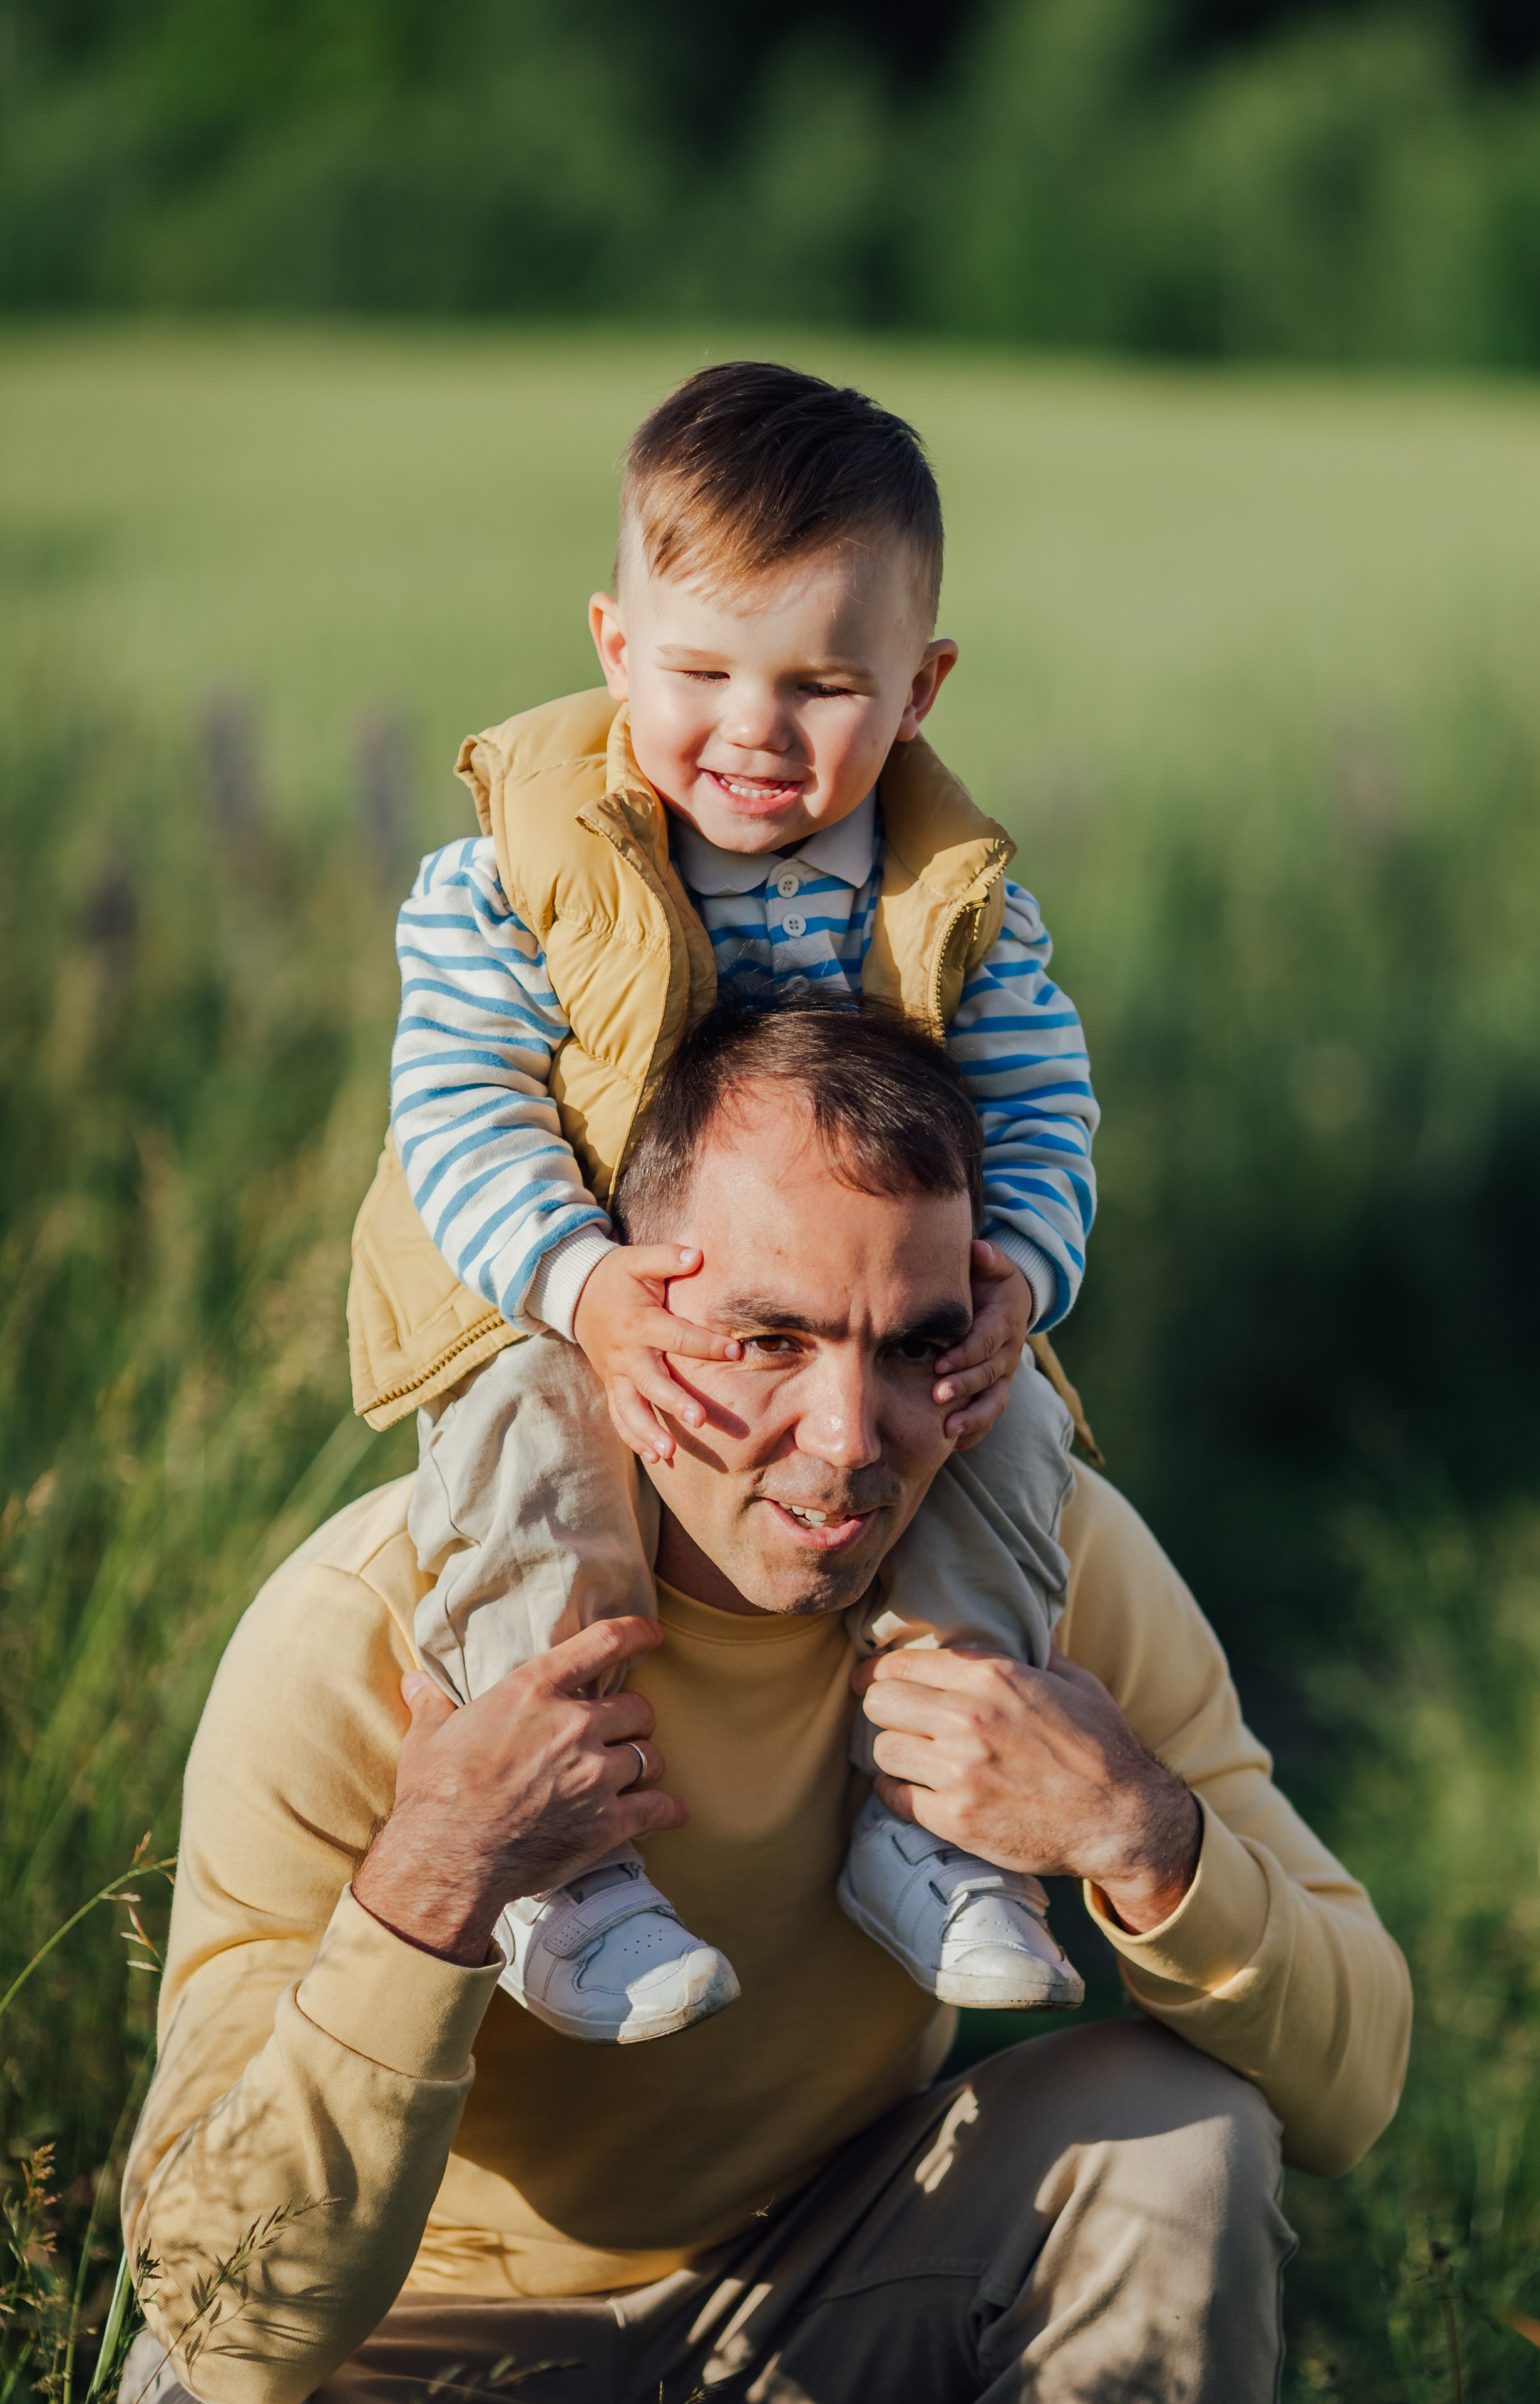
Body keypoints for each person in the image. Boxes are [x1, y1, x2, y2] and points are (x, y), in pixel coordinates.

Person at [122, 1000, 1411, 2404]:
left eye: (918, 1345)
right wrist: (430, 1882)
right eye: (766, 1340)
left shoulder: (1043, 1571)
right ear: (619, 1318)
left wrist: (1144, 1839)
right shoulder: (367, 1629)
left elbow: (1349, 2094)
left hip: (818, 2299)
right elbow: (221, 2321)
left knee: (1178, 2135)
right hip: (417, 2342)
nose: (852, 1440)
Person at [348, 359, 1103, 2041]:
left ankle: (925, 1818)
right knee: (534, 1457)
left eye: (823, 682)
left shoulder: (961, 902)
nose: (756, 729)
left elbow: (1046, 1108)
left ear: (920, 689)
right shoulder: (513, 882)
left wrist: (1016, 1284)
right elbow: (456, 1106)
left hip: (851, 1306)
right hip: (564, 1287)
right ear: (616, 653)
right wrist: (582, 1286)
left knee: (1011, 1435)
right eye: (702, 672)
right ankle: (570, 1871)